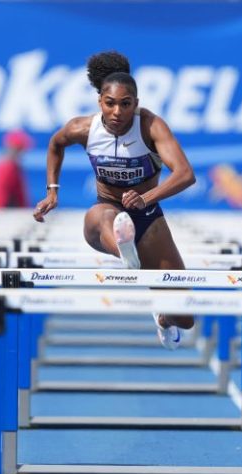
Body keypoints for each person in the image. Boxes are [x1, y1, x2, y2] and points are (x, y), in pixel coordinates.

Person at [32, 50, 196, 349]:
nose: (118, 112)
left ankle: (162, 316)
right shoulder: (83, 128)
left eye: (126, 104)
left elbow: (185, 174)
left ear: (136, 103)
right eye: (110, 103)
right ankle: (125, 253)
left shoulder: (150, 126)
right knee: (104, 215)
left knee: (185, 318)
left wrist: (146, 198)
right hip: (106, 212)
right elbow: (56, 144)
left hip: (147, 217)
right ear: (100, 102)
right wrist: (52, 190)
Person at [0, 129, 34, 208]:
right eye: (20, 148)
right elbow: (4, 196)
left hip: (4, 210)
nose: (22, 152)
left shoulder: (6, 164)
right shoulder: (7, 167)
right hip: (5, 211)